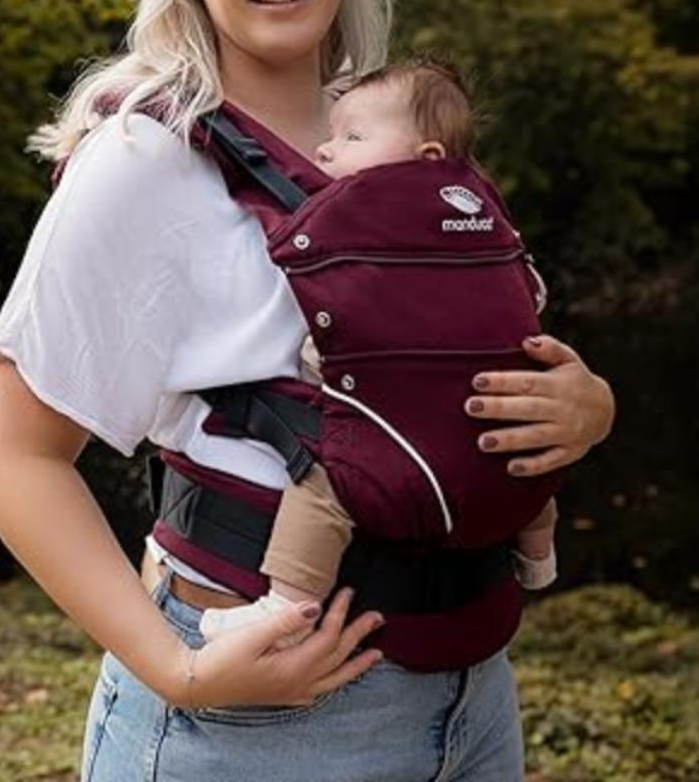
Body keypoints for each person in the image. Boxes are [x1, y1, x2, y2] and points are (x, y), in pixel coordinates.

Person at [0, 0, 615, 782]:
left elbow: (459, 361)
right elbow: (12, 458)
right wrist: (175, 669)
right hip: (259, 724)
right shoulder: (143, 159)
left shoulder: (395, 145)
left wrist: (583, 403)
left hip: (474, 696)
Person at [200, 60, 559, 647]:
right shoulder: (479, 214)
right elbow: (528, 295)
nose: (325, 151)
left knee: (324, 487)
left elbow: (338, 330)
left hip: (398, 454)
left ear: (427, 156)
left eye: (352, 138)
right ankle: (538, 554)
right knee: (528, 467)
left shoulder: (360, 229)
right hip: (497, 450)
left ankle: (285, 606)